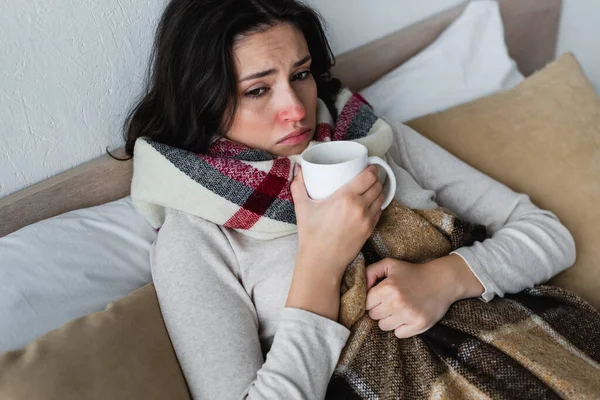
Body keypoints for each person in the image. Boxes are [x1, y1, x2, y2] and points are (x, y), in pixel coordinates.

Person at [124, 0, 575, 398]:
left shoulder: (371, 139)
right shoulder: (195, 235)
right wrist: (321, 262)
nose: (297, 109)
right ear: (200, 97)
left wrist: (446, 279)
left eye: (300, 74)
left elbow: (548, 234)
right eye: (258, 90)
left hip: (535, 359)